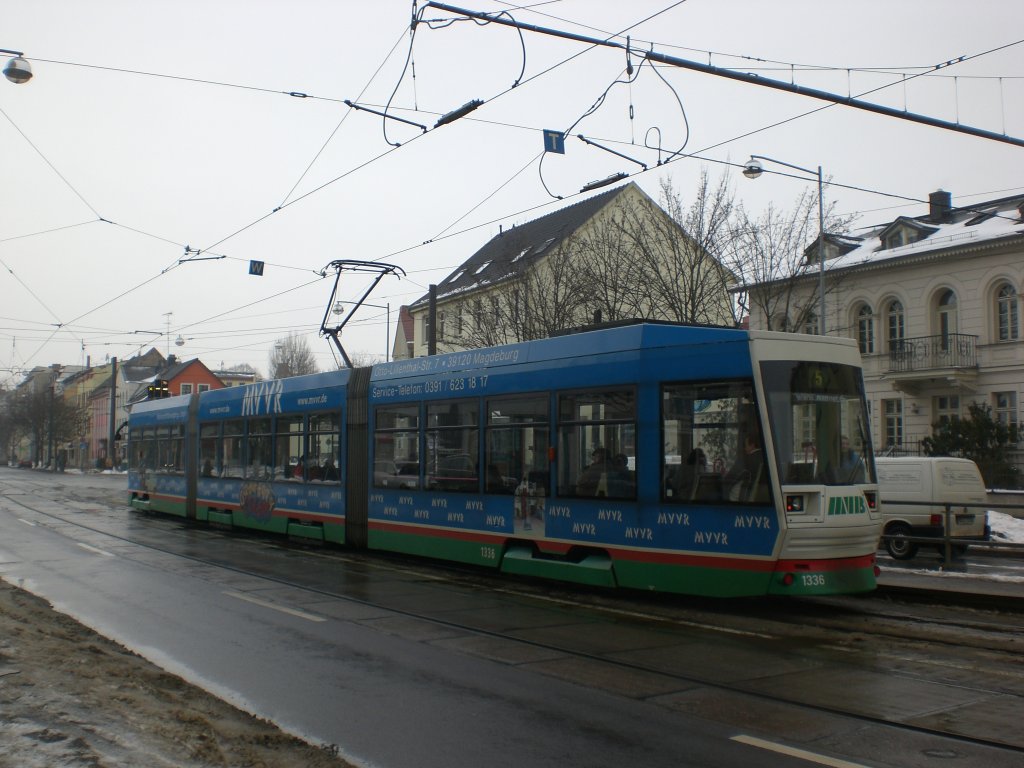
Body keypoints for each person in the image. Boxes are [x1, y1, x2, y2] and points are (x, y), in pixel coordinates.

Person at [724, 434, 763, 501]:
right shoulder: (763, 458)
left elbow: (729, 479)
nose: (744, 449)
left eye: (746, 445)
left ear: (752, 445)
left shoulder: (746, 460)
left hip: (738, 497)